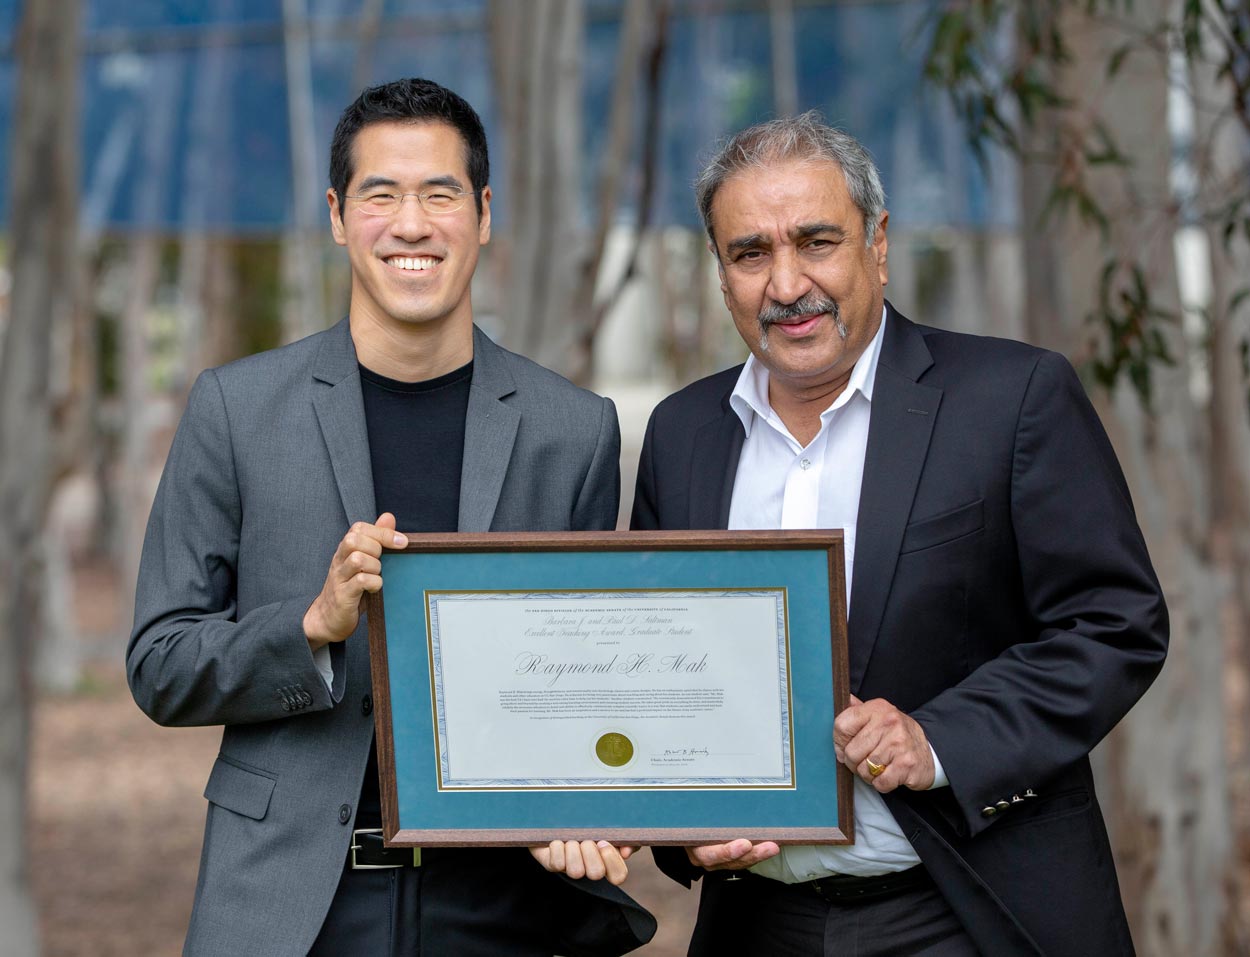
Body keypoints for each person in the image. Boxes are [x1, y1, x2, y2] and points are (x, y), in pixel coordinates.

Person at [128, 78, 655, 957]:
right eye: (381, 194)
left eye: (439, 193)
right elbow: (160, 660)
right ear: (338, 216)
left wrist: (588, 800)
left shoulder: (574, 428)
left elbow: (589, 671)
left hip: (506, 902)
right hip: (290, 900)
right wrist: (312, 626)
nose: (411, 224)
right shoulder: (236, 408)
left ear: (483, 215)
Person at [631, 112, 1168, 956]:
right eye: (750, 253)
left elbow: (1115, 624)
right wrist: (685, 829)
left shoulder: (1012, 398)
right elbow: (657, 671)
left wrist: (937, 738)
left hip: (968, 909)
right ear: (720, 271)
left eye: (816, 241)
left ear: (877, 243)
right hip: (755, 923)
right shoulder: (681, 433)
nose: (785, 283)